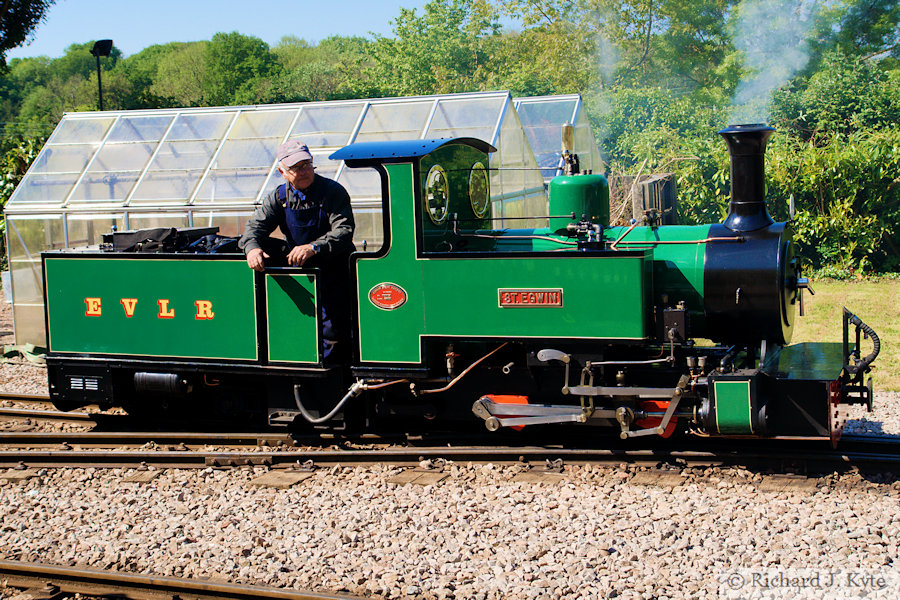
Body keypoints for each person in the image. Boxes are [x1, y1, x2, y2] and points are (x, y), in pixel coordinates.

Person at [239, 140, 355, 357]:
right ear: (282, 172)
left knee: (334, 332)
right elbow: (254, 228)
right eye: (296, 168)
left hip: (335, 272)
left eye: (306, 165)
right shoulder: (278, 197)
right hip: (301, 275)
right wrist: (252, 248)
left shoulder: (333, 192)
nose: (303, 172)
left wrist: (314, 247)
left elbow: (344, 231)